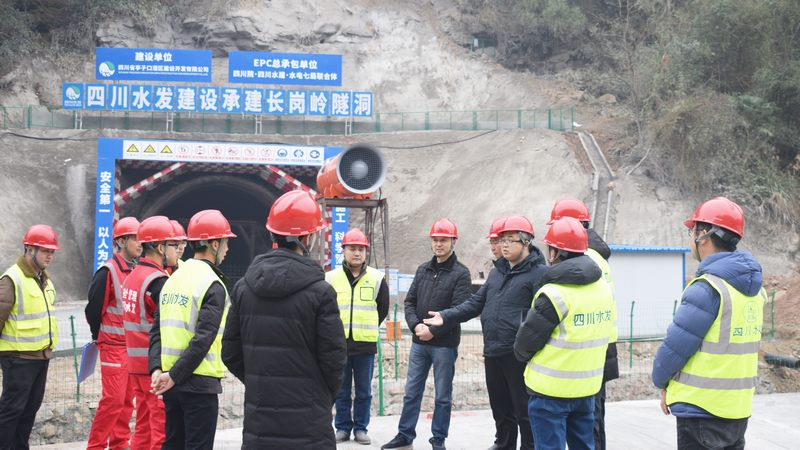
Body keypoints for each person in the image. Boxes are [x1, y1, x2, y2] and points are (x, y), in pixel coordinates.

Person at [222, 190, 346, 449]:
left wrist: (259, 381)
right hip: (310, 422)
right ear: (307, 237)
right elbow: (334, 359)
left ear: (272, 234)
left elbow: (230, 353)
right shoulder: (321, 292)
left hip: (260, 422)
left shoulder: (244, 288)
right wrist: (321, 394)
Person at [652, 197, 765, 450]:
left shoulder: (707, 288)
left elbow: (675, 348)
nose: (691, 238)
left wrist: (660, 381)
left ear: (704, 235)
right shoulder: (754, 290)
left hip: (701, 411)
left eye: (692, 231)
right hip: (737, 411)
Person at [425, 215, 546, 450]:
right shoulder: (497, 272)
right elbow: (475, 303)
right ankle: (504, 444)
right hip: (493, 350)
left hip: (519, 355)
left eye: (510, 240)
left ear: (526, 242)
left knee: (524, 408)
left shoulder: (539, 274)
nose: (504, 245)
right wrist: (446, 316)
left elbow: (541, 317)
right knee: (500, 406)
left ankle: (529, 447)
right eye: (502, 240)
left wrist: (526, 344)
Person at [514, 217, 615, 450]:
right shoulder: (604, 288)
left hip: (550, 392)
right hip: (586, 390)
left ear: (554, 252)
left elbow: (524, 345)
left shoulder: (554, 294)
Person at [382, 218, 472, 450]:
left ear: (453, 241)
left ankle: (438, 439)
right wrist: (416, 327)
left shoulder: (461, 274)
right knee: (412, 392)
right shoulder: (423, 270)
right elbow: (409, 302)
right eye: (435, 240)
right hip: (419, 342)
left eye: (443, 240)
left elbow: (459, 310)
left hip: (444, 345)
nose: (439, 244)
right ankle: (405, 434)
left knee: (442, 396)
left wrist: (433, 331)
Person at [150, 210, 235, 450]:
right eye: (226, 242)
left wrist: (157, 369)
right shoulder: (213, 284)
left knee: (173, 444)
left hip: (170, 383)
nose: (227, 249)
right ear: (214, 244)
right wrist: (174, 375)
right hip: (199, 385)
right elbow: (203, 339)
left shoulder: (173, 279)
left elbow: (156, 330)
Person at [548, 198, 618, 450]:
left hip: (590, 345)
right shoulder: (596, 255)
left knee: (589, 422)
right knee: (593, 418)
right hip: (601, 342)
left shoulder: (586, 257)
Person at [123, 216, 183, 450]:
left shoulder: (133, 275)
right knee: (160, 432)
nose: (178, 250)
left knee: (143, 428)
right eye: (173, 245)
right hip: (154, 367)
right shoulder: (158, 282)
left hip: (136, 365)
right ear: (160, 248)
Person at [0, 225, 60, 450]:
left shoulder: (44, 280)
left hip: (40, 357)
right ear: (29, 249)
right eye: (45, 251)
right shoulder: (12, 279)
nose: (49, 256)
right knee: (12, 411)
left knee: (29, 410)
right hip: (18, 359)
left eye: (52, 252)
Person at [328, 228, 390, 445]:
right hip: (339, 344)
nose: (357, 253)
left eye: (361, 249)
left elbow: (382, 309)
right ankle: (342, 428)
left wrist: (367, 326)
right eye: (352, 248)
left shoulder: (377, 278)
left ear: (366, 252)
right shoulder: (331, 278)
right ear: (343, 250)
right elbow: (326, 310)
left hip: (365, 345)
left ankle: (361, 429)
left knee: (364, 391)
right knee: (341, 390)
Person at [86, 216, 141, 450]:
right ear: (120, 241)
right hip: (113, 346)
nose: (140, 243)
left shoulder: (136, 270)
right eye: (135, 238)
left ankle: (119, 444)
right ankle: (96, 446)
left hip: (131, 347)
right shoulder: (107, 271)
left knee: (127, 401)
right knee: (113, 400)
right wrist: (100, 336)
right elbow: (93, 309)